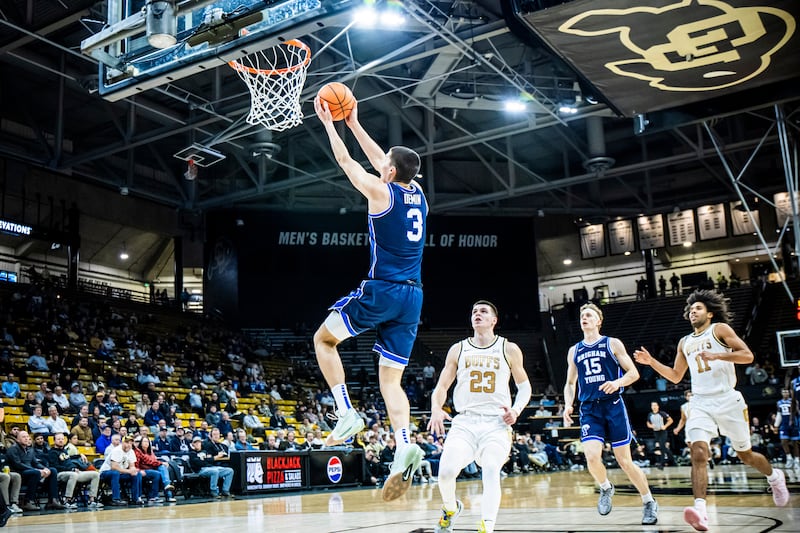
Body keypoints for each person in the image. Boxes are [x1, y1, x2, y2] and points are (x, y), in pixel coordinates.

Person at [312, 95, 427, 502]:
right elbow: (384, 160)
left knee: (322, 341)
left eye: (385, 165)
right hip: (413, 297)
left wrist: (331, 124)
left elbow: (349, 164)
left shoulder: (381, 194)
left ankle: (345, 412)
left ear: (389, 171)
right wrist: (356, 123)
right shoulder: (418, 194)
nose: (381, 165)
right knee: (389, 379)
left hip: (383, 289)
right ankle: (403, 444)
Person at [634, 290, 790, 531]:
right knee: (698, 452)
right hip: (700, 403)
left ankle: (774, 476)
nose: (692, 312)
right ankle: (700, 511)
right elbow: (676, 376)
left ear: (710, 312)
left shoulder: (719, 330)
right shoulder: (684, 342)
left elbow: (747, 356)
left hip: (728, 400)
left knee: (745, 455)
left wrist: (718, 354)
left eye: (697, 308)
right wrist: (652, 362)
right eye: (690, 309)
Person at [428, 300, 532, 533]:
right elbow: (442, 386)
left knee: (492, 469)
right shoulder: (459, 349)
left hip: (495, 423)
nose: (477, 314)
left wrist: (515, 410)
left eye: (483, 311)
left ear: (494, 320)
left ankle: (487, 526)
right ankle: (450, 509)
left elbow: (524, 387)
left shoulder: (509, 348)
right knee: (444, 474)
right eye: (474, 311)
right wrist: (436, 407)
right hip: (464, 421)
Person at [563, 303, 658, 525]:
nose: (584, 318)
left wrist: (617, 383)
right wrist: (568, 404)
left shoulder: (611, 343)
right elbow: (569, 382)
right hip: (589, 409)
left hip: (613, 404)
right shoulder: (574, 350)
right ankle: (606, 487)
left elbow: (633, 373)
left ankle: (648, 501)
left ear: (598, 321)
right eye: (582, 316)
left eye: (589, 315)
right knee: (592, 457)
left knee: (624, 461)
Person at [775, 388, 798, 469]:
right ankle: (789, 458)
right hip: (784, 425)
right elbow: (779, 414)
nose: (785, 393)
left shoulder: (794, 401)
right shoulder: (779, 403)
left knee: (795, 443)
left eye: (786, 392)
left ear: (789, 393)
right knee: (783, 441)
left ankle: (797, 460)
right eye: (783, 392)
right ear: (781, 393)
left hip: (793, 424)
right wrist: (776, 425)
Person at [646, 402, 672, 469]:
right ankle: (671, 459)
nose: (654, 407)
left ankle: (662, 463)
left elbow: (670, 420)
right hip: (656, 432)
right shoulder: (650, 414)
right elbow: (648, 423)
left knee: (662, 446)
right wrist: (651, 426)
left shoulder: (662, 413)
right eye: (652, 405)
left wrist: (665, 426)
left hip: (662, 431)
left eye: (655, 405)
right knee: (661, 447)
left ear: (658, 406)